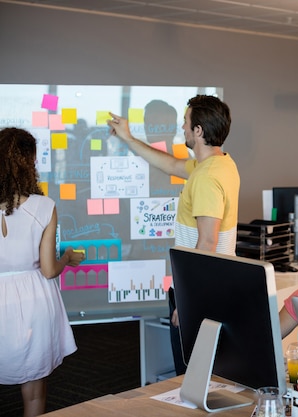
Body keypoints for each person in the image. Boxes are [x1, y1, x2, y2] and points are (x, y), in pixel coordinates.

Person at [108, 95, 240, 375]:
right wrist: (129, 138)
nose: (182, 127)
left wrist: (189, 299)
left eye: (186, 122)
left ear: (198, 131)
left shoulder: (206, 178)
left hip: (203, 289)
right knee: (207, 373)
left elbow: (207, 240)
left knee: (191, 375)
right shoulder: (220, 164)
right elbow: (170, 165)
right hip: (218, 283)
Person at [0, 127, 85, 417]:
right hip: (34, 300)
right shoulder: (44, 206)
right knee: (34, 392)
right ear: (28, 163)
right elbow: (49, 270)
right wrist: (67, 258)